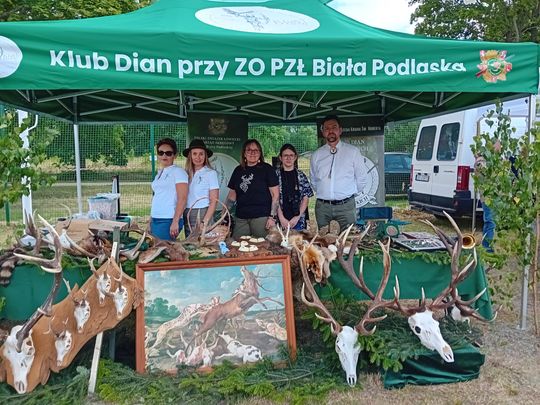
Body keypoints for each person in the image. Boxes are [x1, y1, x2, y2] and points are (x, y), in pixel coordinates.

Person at [310, 115, 368, 232]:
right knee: (324, 240)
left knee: (348, 238)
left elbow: (361, 179)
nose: (330, 131)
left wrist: (348, 193)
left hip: (346, 206)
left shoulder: (353, 152)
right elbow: (314, 181)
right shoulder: (316, 155)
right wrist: (326, 194)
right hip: (323, 207)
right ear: (323, 132)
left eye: (334, 127)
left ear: (340, 130)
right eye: (327, 128)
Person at [226, 139, 279, 239]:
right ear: (244, 153)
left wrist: (272, 217)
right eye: (249, 150)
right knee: (238, 244)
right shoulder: (238, 170)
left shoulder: (267, 169)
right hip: (241, 217)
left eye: (256, 150)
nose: (252, 153)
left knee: (263, 245)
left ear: (260, 153)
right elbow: (232, 195)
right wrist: (224, 213)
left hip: (262, 217)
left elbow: (275, 195)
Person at [150, 138, 188, 240]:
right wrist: (150, 220)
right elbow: (157, 196)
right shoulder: (159, 173)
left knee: (163, 248)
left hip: (168, 219)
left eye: (168, 153)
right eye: (161, 152)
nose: (164, 156)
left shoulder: (179, 172)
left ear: (175, 155)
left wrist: (175, 221)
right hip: (156, 218)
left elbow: (183, 198)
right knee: (155, 247)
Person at [182, 139, 219, 237]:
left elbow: (214, 200)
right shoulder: (184, 174)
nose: (198, 157)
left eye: (201, 154)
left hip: (203, 212)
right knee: (190, 243)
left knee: (204, 243)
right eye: (194, 154)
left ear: (205, 156)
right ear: (190, 156)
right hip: (187, 213)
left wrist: (204, 222)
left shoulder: (210, 173)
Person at [275, 144, 314, 230]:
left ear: (295, 157)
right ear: (280, 158)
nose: (288, 158)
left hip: (298, 220)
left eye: (291, 155)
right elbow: (274, 198)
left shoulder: (301, 176)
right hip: (280, 220)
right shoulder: (275, 176)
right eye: (285, 155)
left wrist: (297, 218)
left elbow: (306, 198)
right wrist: (281, 218)